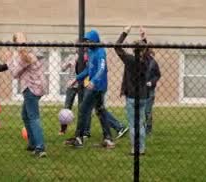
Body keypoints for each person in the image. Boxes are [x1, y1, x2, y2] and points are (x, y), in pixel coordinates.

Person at [65, 30, 115, 149]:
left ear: (94, 41)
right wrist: (76, 79)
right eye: (85, 41)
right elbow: (88, 69)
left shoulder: (100, 52)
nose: (86, 43)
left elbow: (101, 69)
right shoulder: (91, 52)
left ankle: (79, 138)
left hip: (98, 87)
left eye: (88, 41)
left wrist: (93, 81)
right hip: (94, 85)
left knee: (83, 109)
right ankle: (108, 139)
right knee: (100, 111)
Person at [60, 51, 128, 139]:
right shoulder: (79, 56)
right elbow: (84, 70)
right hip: (85, 86)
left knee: (96, 109)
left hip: (91, 86)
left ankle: (118, 127)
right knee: (96, 109)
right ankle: (115, 129)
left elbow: (94, 70)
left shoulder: (93, 56)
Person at [7, 32, 47, 158]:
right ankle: (32, 143)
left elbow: (14, 73)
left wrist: (8, 59)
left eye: (22, 39)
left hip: (31, 88)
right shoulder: (24, 54)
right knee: (25, 115)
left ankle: (40, 147)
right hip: (35, 87)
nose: (21, 42)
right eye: (18, 40)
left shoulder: (25, 55)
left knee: (33, 117)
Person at [115, 26, 149, 155]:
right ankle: (141, 149)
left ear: (133, 49)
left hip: (131, 96)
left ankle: (135, 149)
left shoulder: (129, 59)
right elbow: (146, 51)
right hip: (143, 95)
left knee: (133, 123)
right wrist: (143, 37)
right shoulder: (145, 60)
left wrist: (125, 32)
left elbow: (117, 47)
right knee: (140, 123)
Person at [142, 29, 161, 135]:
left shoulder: (153, 63)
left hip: (150, 90)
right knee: (141, 110)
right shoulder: (141, 60)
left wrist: (152, 82)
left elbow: (158, 75)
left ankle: (148, 130)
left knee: (147, 111)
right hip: (141, 90)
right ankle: (142, 128)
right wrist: (143, 38)